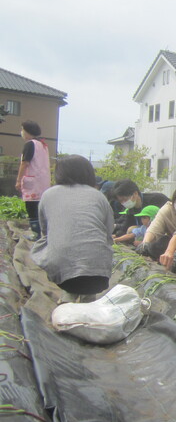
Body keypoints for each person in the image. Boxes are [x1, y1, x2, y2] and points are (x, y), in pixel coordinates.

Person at [31, 155, 113, 303]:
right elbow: (108, 233)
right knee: (101, 246)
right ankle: (88, 299)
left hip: (63, 273)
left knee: (45, 242)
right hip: (99, 275)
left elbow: (45, 231)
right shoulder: (99, 196)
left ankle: (68, 297)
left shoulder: (48, 194)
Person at [138, 183, 176, 259]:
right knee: (160, 243)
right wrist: (145, 243)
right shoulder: (167, 209)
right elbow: (154, 228)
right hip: (171, 246)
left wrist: (175, 253)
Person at [15, 120, 51, 237]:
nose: (21, 132)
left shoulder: (30, 144)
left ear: (27, 131)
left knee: (32, 209)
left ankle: (36, 234)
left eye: (22, 129)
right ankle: (42, 233)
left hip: (33, 182)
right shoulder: (43, 145)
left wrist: (18, 180)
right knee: (40, 209)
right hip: (43, 182)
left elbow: (25, 163)